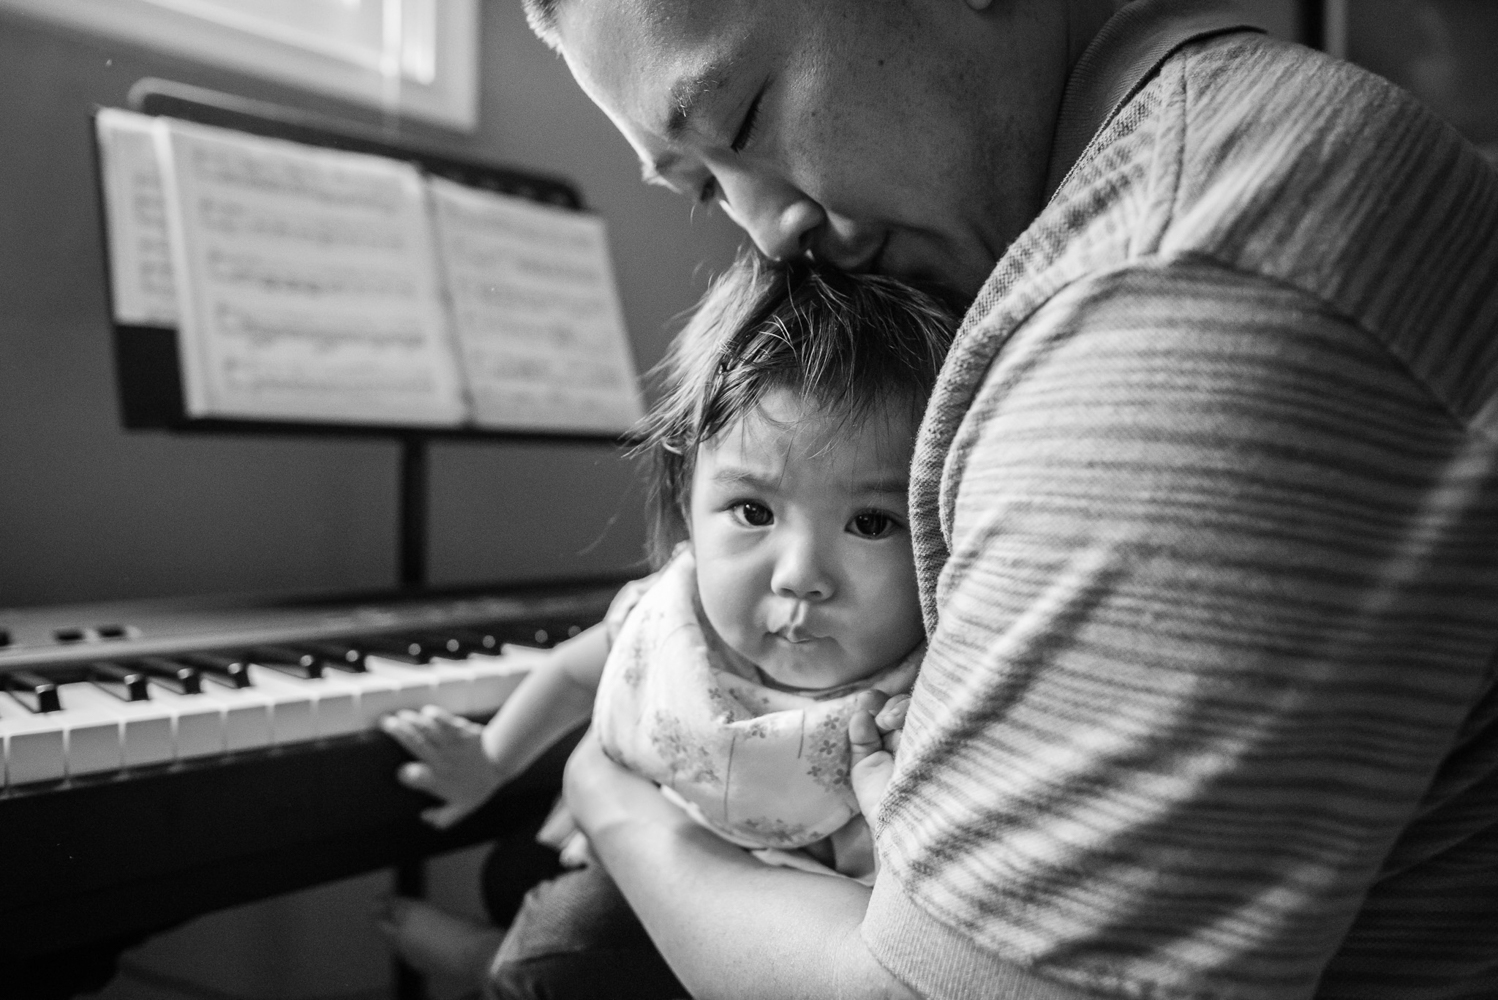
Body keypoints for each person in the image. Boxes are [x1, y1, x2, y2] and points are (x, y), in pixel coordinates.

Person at [516, 0, 1498, 998]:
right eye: (700, 189)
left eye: (745, 120)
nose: (768, 238)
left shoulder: (1176, 294)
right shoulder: (1179, 179)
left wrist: (615, 804)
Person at [379, 250, 957, 998]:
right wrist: (488, 762)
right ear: (687, 499)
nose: (799, 574)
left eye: (871, 522)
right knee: (516, 869)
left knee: (563, 953)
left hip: (772, 923)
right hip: (648, 838)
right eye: (754, 512)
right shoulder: (675, 615)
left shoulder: (918, 685)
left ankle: (491, 965)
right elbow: (572, 671)